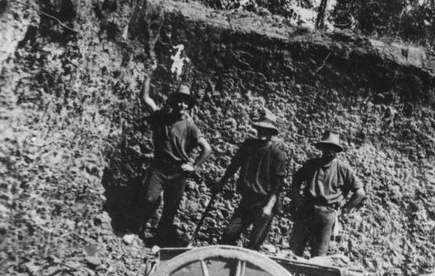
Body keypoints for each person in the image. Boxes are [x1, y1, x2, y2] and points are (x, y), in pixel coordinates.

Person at [123, 77, 212, 245]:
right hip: (159, 168)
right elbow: (145, 99)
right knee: (148, 198)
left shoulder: (190, 126)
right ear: (173, 102)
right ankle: (135, 229)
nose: (182, 105)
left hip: (178, 172)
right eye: (179, 101)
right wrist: (147, 77)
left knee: (170, 208)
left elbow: (207, 149)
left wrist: (193, 166)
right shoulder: (161, 118)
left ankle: (159, 241)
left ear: (188, 106)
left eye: (185, 103)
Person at [215, 109, 288, 250]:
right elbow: (234, 165)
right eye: (261, 129)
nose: (262, 133)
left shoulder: (277, 155)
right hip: (248, 199)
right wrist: (221, 182)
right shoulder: (248, 146)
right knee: (229, 234)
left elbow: (277, 186)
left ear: (272, 134)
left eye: (266, 131)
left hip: (265, 201)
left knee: (254, 244)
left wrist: (268, 207)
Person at [289, 130, 366, 258]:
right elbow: (296, 180)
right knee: (295, 250)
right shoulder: (311, 165)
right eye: (326, 147)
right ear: (321, 148)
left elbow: (360, 193)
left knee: (319, 255)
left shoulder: (343, 169)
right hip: (307, 210)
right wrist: (297, 198)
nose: (329, 151)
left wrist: (345, 209)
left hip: (327, 214)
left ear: (336, 150)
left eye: (332, 148)